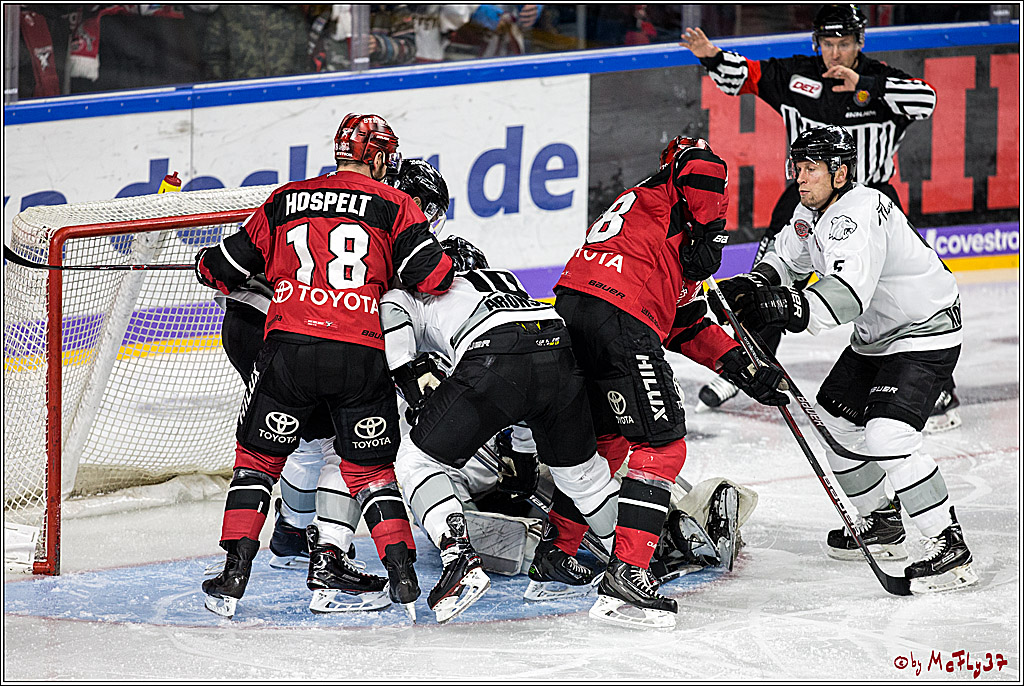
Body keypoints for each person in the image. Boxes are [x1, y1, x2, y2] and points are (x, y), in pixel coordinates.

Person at [194, 113, 455, 619]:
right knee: (371, 471)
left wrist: (205, 262)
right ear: (378, 155)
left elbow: (220, 269)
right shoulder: (396, 204)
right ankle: (402, 580)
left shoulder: (285, 198)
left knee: (257, 463)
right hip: (360, 354)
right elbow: (435, 276)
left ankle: (232, 578)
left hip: (288, 349)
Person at [716, 125, 977, 594]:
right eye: (797, 167)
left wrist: (782, 305)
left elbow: (848, 298)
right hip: (875, 339)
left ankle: (949, 546)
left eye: (811, 167)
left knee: (888, 434)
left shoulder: (858, 214)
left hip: (924, 334)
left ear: (840, 173)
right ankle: (883, 521)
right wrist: (755, 285)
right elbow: (786, 259)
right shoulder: (810, 212)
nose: (800, 176)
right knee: (836, 427)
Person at [681, 5, 958, 433]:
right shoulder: (797, 77)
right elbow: (747, 76)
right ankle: (750, 365)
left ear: (860, 43)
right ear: (816, 44)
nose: (835, 52)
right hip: (807, 197)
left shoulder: (880, 79)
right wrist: (711, 55)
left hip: (873, 202)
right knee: (770, 274)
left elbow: (928, 99)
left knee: (897, 287)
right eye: (827, 44)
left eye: (844, 43)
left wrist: (865, 86)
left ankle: (934, 382)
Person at [554, 134, 790, 628]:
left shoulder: (647, 219)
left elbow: (685, 325)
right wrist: (710, 229)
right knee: (663, 445)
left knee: (610, 438)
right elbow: (701, 163)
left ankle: (558, 549)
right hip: (619, 312)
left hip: (577, 304)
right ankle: (627, 573)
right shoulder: (686, 184)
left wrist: (744, 370)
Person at [380, 236, 621, 623]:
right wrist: (523, 451)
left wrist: (412, 380)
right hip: (558, 350)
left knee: (414, 460)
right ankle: (632, 564)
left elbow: (397, 338)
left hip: (495, 357)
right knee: (583, 477)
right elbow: (528, 382)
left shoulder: (410, 294)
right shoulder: (505, 278)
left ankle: (459, 558)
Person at [212, 275, 394, 615]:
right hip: (304, 328)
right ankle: (329, 559)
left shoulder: (273, 220)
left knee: (293, 440)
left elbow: (221, 266)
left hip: (244, 324)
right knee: (344, 446)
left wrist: (207, 264)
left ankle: (277, 542)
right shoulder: (382, 223)